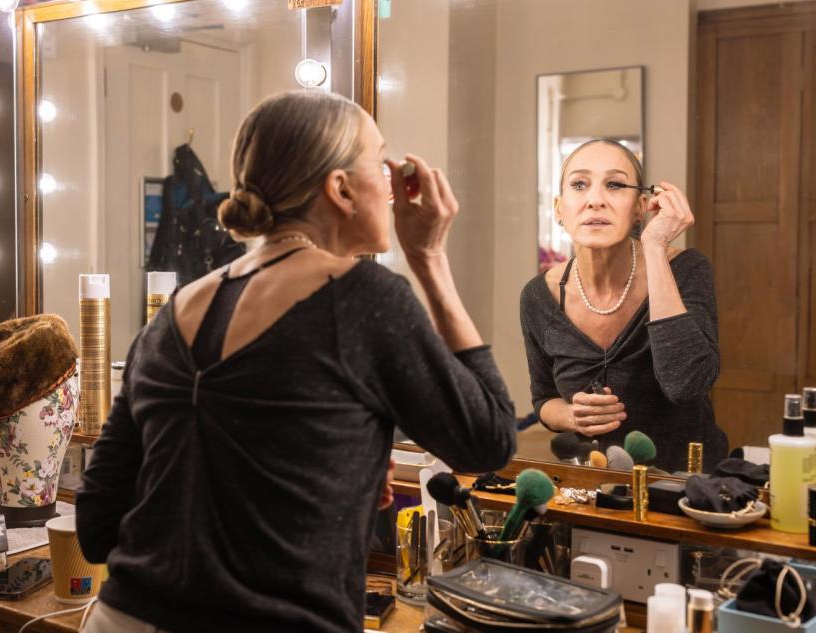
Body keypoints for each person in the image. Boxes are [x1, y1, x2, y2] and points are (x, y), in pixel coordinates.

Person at [76, 90, 516, 633]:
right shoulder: (364, 300)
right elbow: (489, 439)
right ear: (340, 189)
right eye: (380, 163)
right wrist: (429, 258)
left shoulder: (172, 315)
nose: (391, 181)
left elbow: (97, 523)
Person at [520, 138, 726, 472]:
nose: (595, 200)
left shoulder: (686, 269)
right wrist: (572, 416)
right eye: (579, 184)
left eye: (615, 185)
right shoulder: (538, 297)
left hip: (686, 490)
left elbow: (686, 385)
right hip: (593, 490)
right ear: (560, 208)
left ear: (641, 206)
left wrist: (656, 248)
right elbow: (544, 399)